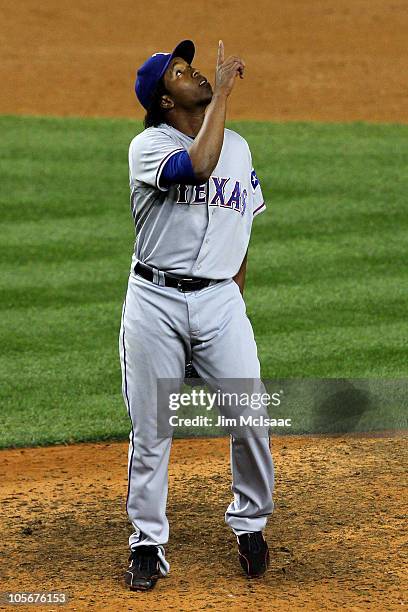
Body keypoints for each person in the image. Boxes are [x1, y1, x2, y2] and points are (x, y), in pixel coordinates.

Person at [119, 39, 274, 592]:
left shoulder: (240, 147)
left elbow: (244, 223)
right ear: (165, 100)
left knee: (250, 414)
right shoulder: (148, 147)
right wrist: (226, 92)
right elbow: (198, 165)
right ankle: (147, 543)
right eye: (183, 73)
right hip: (155, 303)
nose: (198, 76)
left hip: (220, 301)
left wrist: (232, 295)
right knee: (153, 426)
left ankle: (251, 523)